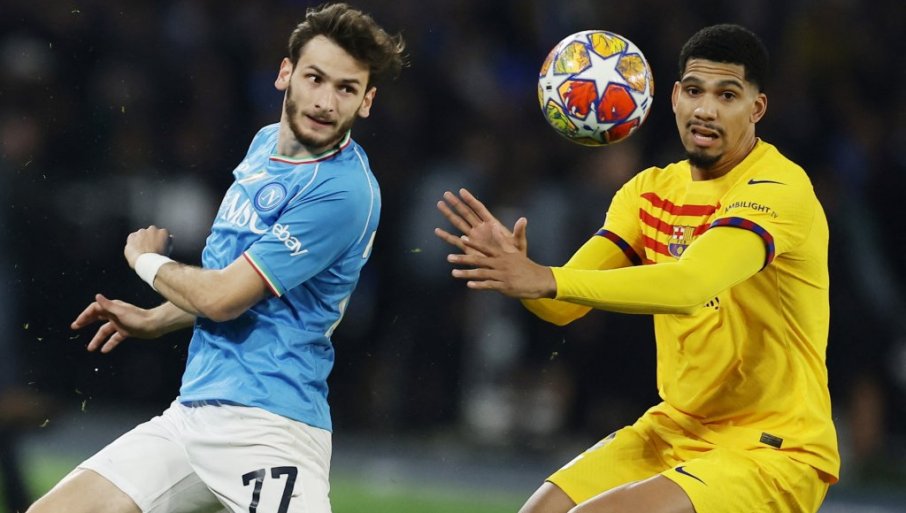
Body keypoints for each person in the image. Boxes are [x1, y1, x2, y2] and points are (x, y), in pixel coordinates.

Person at [436, 24, 838, 513]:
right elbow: (561, 308)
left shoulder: (778, 188)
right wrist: (519, 274)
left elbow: (689, 285)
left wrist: (545, 277)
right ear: (673, 97)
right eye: (695, 91)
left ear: (757, 108)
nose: (706, 109)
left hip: (772, 447)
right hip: (675, 428)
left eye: (727, 95)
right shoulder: (649, 191)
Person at [27, 4, 404, 513]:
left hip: (270, 429)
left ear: (366, 101)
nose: (325, 101)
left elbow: (224, 298)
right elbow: (233, 281)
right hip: (193, 415)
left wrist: (145, 262)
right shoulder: (264, 144)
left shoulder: (344, 192)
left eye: (346, 88)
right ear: (285, 73)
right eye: (315, 78)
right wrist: (157, 318)